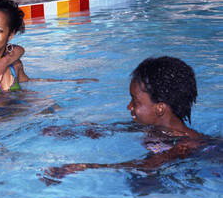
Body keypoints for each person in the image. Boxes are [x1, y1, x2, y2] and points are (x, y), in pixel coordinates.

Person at [41, 56, 204, 184]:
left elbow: (145, 166)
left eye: (135, 101)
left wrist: (82, 167)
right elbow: (113, 129)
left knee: (142, 184)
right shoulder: (153, 127)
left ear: (160, 108)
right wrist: (68, 132)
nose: (129, 107)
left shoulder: (185, 144)